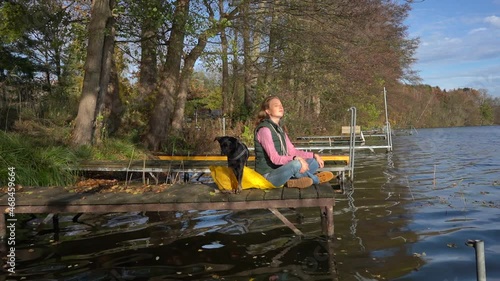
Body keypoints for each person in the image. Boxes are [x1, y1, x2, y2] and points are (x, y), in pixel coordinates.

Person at [253, 96, 334, 188]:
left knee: (314, 162)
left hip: (281, 170)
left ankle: (292, 182)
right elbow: (274, 158)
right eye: (276, 105)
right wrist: (296, 159)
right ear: (268, 111)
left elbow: (292, 152)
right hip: (268, 176)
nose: (281, 107)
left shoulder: (280, 130)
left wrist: (313, 155)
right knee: (296, 164)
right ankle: (315, 179)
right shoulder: (264, 130)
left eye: (281, 105)